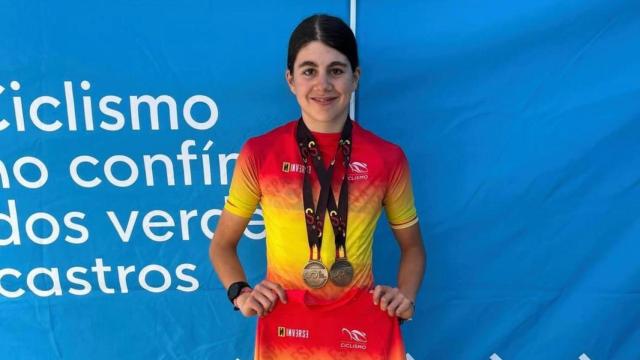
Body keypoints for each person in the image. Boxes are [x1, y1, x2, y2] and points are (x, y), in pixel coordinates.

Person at [210, 13, 426, 358]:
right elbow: (222, 244)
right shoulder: (260, 153)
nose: (323, 84)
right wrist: (241, 292)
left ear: (355, 78)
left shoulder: (387, 158)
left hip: (361, 329)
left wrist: (407, 296)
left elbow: (413, 248)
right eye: (309, 70)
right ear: (290, 79)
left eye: (336, 70)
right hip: (286, 330)